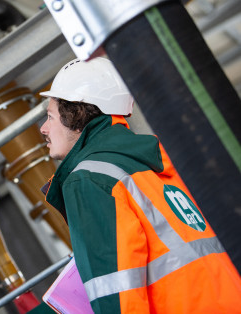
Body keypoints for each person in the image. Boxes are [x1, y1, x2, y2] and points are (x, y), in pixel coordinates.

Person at [39, 57, 241, 313]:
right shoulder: (161, 162)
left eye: (50, 117)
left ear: (77, 115)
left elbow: (116, 291)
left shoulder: (88, 179)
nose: (44, 129)